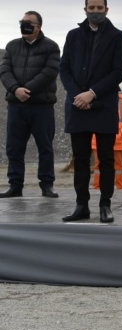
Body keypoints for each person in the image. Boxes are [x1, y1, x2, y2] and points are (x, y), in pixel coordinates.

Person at [59, 0, 122, 223]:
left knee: (106, 158)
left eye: (99, 7)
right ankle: (81, 205)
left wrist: (92, 93)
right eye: (91, 7)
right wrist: (79, 95)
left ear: (107, 10)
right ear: (85, 9)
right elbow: (64, 68)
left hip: (103, 105)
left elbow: (118, 72)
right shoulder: (73, 35)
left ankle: (105, 205)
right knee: (80, 158)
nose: (95, 11)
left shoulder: (118, 37)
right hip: (78, 105)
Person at [0, 11, 60, 198]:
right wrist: (15, 89)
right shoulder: (12, 46)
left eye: (28, 23)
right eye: (22, 22)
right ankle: (15, 185)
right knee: (14, 148)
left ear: (38, 27)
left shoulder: (51, 47)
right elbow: (4, 70)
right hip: (16, 106)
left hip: (41, 107)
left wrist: (28, 90)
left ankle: (47, 185)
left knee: (45, 147)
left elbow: (50, 71)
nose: (24, 26)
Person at [92, 92, 122, 190]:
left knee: (118, 166)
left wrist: (121, 134)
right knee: (99, 165)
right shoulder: (94, 98)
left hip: (117, 140)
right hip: (98, 140)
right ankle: (98, 187)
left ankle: (120, 187)